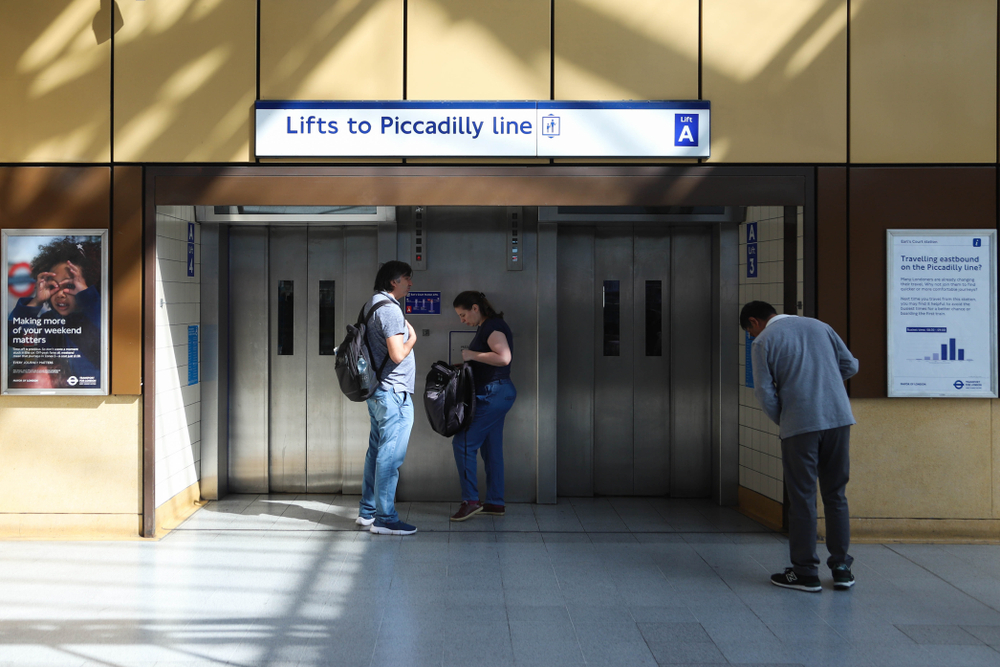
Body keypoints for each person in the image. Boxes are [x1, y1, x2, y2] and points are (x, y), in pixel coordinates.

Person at [741, 300, 859, 593]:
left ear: (754, 322)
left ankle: (805, 572)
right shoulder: (820, 326)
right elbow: (851, 365)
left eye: (749, 331)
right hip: (838, 419)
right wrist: (824, 383)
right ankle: (842, 568)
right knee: (836, 494)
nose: (752, 336)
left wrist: (786, 418)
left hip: (800, 425)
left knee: (803, 497)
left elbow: (764, 391)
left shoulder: (764, 341)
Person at [356, 261, 418, 535]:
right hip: (393, 392)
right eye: (407, 278)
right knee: (390, 456)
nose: (410, 283)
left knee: (377, 452)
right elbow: (397, 354)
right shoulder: (390, 309)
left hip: (379, 392)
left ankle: (367, 512)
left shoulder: (371, 304)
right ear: (394, 281)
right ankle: (385, 518)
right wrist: (412, 339)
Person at [449, 291, 516, 521]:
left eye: (463, 314)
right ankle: (495, 502)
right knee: (491, 449)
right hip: (498, 392)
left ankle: (471, 501)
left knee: (463, 443)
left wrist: (472, 355)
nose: (462, 320)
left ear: (475, 308)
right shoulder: (490, 326)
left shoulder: (492, 327)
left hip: (493, 393)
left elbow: (504, 357)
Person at [7, 238, 102, 388]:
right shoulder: (47, 321)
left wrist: (87, 297)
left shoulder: (95, 315)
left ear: (87, 285)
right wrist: (36, 301)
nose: (61, 294)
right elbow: (13, 337)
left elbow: (108, 332)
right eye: (53, 286)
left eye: (70, 285)